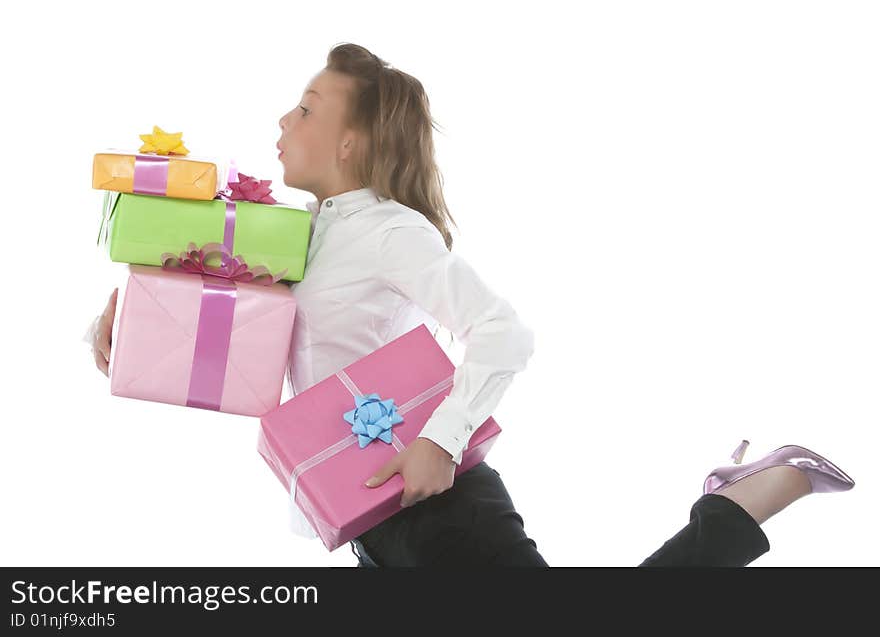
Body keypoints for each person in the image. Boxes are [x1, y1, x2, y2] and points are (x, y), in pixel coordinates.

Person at [86, 43, 855, 567]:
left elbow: (502, 332)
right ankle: (733, 506)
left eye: (308, 110)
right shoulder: (302, 239)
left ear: (352, 142)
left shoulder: (388, 231)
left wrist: (442, 441)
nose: (284, 122)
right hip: (369, 523)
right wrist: (126, 319)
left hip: (439, 512)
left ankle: (740, 507)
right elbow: (238, 334)